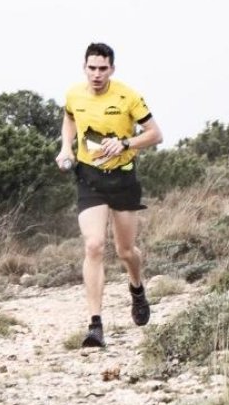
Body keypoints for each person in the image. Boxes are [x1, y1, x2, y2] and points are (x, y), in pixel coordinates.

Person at [55, 42, 164, 348]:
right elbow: (69, 118)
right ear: (84, 68)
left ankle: (137, 287)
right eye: (92, 68)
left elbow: (156, 134)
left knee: (126, 251)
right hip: (89, 178)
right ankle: (95, 325)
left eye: (103, 69)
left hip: (123, 179)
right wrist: (66, 147)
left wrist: (127, 143)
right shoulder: (74, 94)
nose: (97, 74)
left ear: (112, 70)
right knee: (93, 246)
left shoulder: (128, 96)